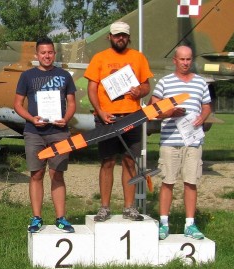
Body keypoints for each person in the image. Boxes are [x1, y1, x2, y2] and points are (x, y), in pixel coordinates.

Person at [84, 21, 153, 222]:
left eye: (123, 35)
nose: (119, 38)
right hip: (108, 118)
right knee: (107, 162)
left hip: (133, 116)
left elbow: (146, 85)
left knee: (130, 162)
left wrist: (140, 90)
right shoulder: (100, 58)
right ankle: (104, 207)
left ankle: (129, 207)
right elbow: (91, 88)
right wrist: (100, 111)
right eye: (116, 35)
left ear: (128, 37)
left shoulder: (138, 58)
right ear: (110, 37)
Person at [14, 37, 76, 233]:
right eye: (43, 53)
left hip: (59, 132)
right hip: (34, 133)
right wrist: (32, 119)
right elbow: (17, 104)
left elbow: (72, 103)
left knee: (57, 174)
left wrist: (65, 118)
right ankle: (36, 218)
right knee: (36, 174)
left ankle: (60, 218)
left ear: (54, 54)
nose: (46, 56)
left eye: (50, 52)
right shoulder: (27, 76)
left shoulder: (65, 75)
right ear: (36, 55)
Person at [149, 45, 212, 240]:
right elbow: (153, 108)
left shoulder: (200, 82)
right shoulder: (164, 83)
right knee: (168, 181)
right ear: (174, 60)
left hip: (192, 141)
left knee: (191, 182)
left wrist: (202, 117)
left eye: (188, 59)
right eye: (182, 59)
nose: (185, 63)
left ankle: (190, 224)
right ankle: (164, 223)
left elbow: (207, 106)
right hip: (170, 140)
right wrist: (169, 112)